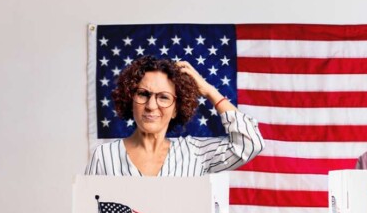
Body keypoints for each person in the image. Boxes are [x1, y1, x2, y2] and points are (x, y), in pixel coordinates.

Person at [86, 56, 264, 176]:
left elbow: (250, 143)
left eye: (163, 97)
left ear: (176, 110)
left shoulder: (195, 153)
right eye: (143, 94)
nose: (151, 106)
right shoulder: (104, 155)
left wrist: (209, 90)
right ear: (130, 99)